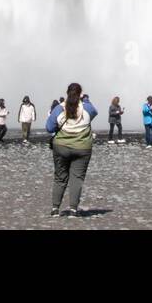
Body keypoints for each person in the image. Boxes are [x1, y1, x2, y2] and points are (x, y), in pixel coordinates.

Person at [46, 82, 99, 216]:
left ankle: (55, 208)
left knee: (60, 177)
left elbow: (49, 128)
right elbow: (94, 112)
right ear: (80, 94)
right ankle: (73, 209)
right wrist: (85, 99)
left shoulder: (59, 108)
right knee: (77, 178)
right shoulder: (86, 108)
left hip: (61, 147)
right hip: (82, 147)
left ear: (67, 93)